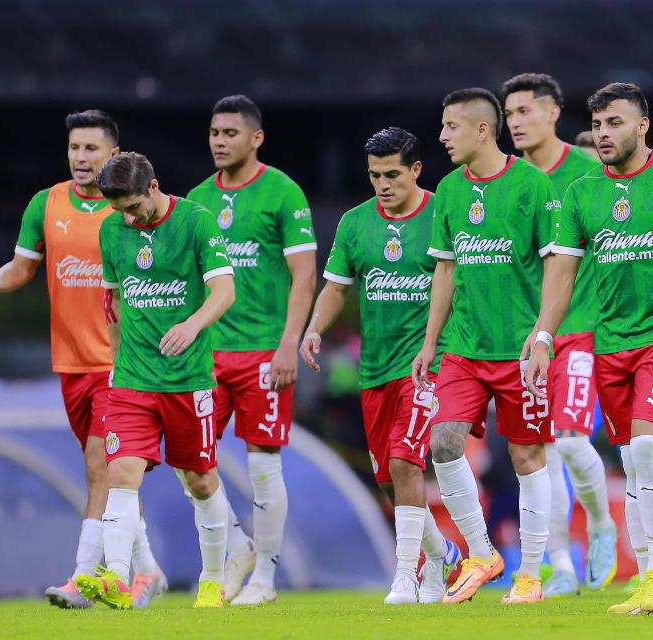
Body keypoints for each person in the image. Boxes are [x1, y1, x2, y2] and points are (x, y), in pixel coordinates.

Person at [523, 82, 653, 615]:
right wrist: (544, 336)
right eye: (597, 125)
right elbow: (562, 276)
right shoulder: (582, 194)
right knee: (632, 462)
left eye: (615, 122)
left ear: (642, 125)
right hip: (608, 341)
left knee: (646, 450)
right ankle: (646, 580)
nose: (604, 133)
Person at [0, 111, 164, 609]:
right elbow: (22, 266)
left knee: (103, 466)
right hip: (71, 364)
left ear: (113, 156)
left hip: (120, 361)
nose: (81, 158)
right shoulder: (47, 202)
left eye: (91, 149)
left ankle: (85, 577)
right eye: (75, 148)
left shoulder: (130, 209)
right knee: (106, 470)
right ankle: (148, 570)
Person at [410, 87, 559, 604]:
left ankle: (532, 574)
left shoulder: (532, 186)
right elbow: (445, 269)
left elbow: (559, 266)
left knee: (526, 457)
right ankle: (480, 552)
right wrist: (430, 341)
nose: (442, 136)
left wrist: (542, 336)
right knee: (443, 443)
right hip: (464, 349)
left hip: (519, 351)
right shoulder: (449, 189)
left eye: (451, 126)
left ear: (481, 130)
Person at [300, 127, 461, 604]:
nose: (383, 184)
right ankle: (442, 556)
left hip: (427, 363)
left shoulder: (441, 214)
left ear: (415, 169)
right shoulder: (354, 223)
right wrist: (313, 329)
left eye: (392, 174)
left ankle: (402, 579)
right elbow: (335, 287)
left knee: (404, 462)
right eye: (374, 176)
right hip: (376, 369)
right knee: (389, 480)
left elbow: (456, 281)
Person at [74, 152, 235, 609]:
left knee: (201, 481)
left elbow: (225, 289)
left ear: (154, 187)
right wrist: (113, 359)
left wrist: (192, 325)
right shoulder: (112, 231)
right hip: (132, 378)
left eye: (133, 206)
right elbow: (114, 301)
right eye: (119, 209)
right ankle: (118, 579)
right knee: (121, 471)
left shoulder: (196, 222)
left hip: (188, 379)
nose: (128, 216)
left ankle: (212, 579)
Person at [185, 95, 317, 605]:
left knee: (263, 464)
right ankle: (236, 544)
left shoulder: (282, 192)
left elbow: (304, 276)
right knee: (190, 459)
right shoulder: (196, 198)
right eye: (214, 133)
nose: (219, 141)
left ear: (255, 138)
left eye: (230, 133)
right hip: (207, 353)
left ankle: (263, 578)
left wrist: (288, 344)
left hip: (264, 350)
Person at [500, 72, 618, 597]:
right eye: (509, 114)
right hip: (528, 335)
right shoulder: (503, 180)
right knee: (538, 451)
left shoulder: (589, 170)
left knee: (570, 443)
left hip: (584, 327)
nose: (515, 122)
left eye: (525, 111)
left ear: (552, 112)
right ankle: (562, 565)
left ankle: (600, 524)